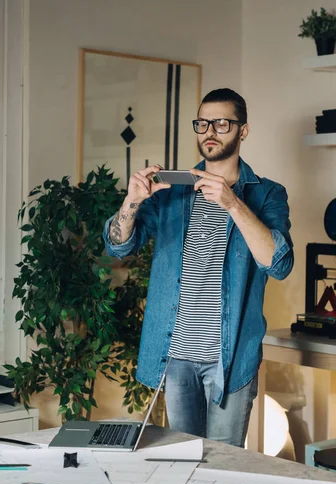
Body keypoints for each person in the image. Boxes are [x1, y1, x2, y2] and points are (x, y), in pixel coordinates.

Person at [103, 88, 293, 447]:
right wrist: (131, 201)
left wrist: (233, 203)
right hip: (174, 358)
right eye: (203, 123)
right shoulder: (173, 191)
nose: (210, 131)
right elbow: (119, 244)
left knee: (223, 465)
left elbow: (279, 264)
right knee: (182, 461)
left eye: (222, 123)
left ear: (243, 131)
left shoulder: (266, 194)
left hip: (230, 358)